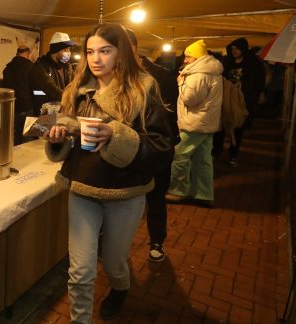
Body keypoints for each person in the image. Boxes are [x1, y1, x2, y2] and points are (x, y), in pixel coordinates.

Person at [43, 23, 174, 321]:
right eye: (90, 51)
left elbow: (162, 147)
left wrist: (116, 136)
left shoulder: (144, 89)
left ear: (122, 53)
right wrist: (58, 139)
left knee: (114, 262)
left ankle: (120, 287)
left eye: (105, 51)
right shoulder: (76, 91)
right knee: (80, 270)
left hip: (124, 193)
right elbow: (68, 135)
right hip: (83, 188)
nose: (95, 58)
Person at [126, 29, 179, 263]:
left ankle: (157, 241)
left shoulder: (162, 77)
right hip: (129, 149)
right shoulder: (116, 78)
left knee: (156, 196)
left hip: (156, 147)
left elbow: (169, 118)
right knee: (127, 197)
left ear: (133, 48)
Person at [166, 40, 223, 207]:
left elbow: (190, 99)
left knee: (179, 155)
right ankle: (204, 194)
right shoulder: (213, 71)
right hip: (206, 122)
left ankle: (177, 191)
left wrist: (180, 82)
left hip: (194, 123)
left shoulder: (199, 74)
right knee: (202, 159)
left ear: (197, 57)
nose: (185, 60)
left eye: (188, 56)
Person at [213, 38, 265, 167]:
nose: (234, 51)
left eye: (237, 48)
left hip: (243, 100)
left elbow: (258, 82)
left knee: (237, 128)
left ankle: (233, 155)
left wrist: (251, 98)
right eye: (232, 49)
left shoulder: (253, 64)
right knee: (220, 127)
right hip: (226, 99)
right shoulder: (227, 63)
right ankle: (216, 152)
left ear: (243, 48)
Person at [30, 32, 76, 114]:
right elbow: (50, 88)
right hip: (43, 114)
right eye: (65, 50)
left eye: (69, 49)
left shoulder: (67, 67)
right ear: (56, 50)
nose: (68, 52)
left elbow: (72, 86)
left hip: (62, 112)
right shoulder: (41, 65)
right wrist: (67, 99)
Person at [3, 45, 35, 145]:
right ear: (28, 54)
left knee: (15, 136)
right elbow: (36, 89)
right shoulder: (31, 67)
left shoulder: (7, 69)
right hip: (28, 106)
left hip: (13, 107)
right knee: (28, 135)